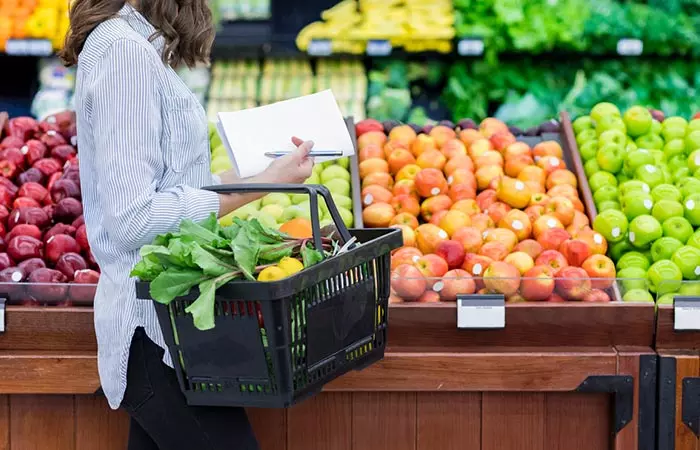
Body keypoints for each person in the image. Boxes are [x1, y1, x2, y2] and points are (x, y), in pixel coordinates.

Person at [60, 0, 314, 448]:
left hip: (174, 329)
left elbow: (176, 187)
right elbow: (132, 217)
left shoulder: (132, 45)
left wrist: (269, 176)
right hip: (154, 334)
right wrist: (260, 187)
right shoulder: (124, 53)